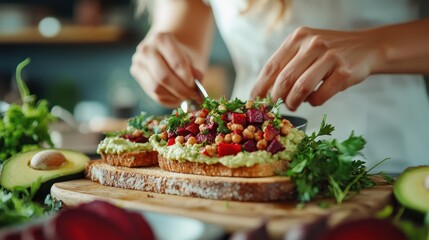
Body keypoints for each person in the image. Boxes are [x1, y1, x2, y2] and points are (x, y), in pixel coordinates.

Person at [130, 0, 429, 173]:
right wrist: (165, 58)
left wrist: (378, 46)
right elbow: (179, 32)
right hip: (246, 162)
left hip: (388, 152)